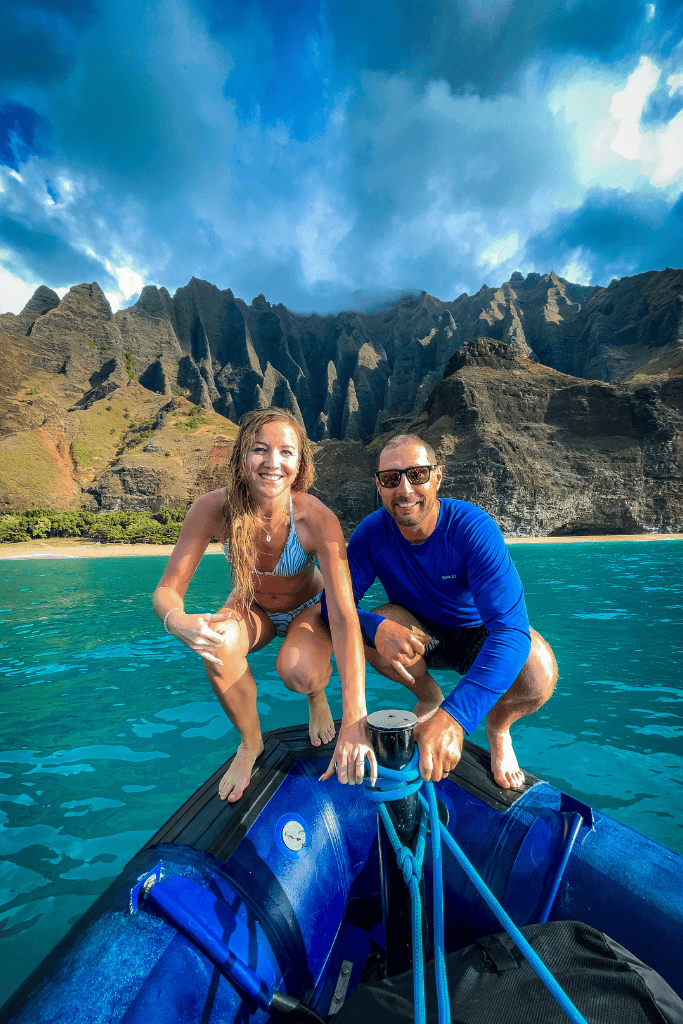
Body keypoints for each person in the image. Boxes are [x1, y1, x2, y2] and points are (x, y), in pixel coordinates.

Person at [153, 407, 376, 802]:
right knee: (218, 644)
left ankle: (316, 697)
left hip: (308, 606)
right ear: (242, 456)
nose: (273, 463)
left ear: (300, 462)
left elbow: (342, 615)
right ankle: (250, 743)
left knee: (300, 672)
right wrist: (178, 621)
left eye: (286, 452)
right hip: (251, 607)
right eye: (260, 450)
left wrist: (355, 718)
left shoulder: (316, 519)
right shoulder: (213, 509)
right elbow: (167, 591)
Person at [327, 433, 558, 790]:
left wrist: (456, 719)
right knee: (374, 623)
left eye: (416, 475)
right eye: (391, 479)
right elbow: (333, 609)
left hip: (476, 635)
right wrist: (376, 629)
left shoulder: (471, 529)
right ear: (379, 485)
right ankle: (429, 695)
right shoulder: (372, 533)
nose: (404, 490)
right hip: (419, 635)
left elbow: (511, 631)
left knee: (537, 670)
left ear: (437, 476)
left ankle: (498, 729)